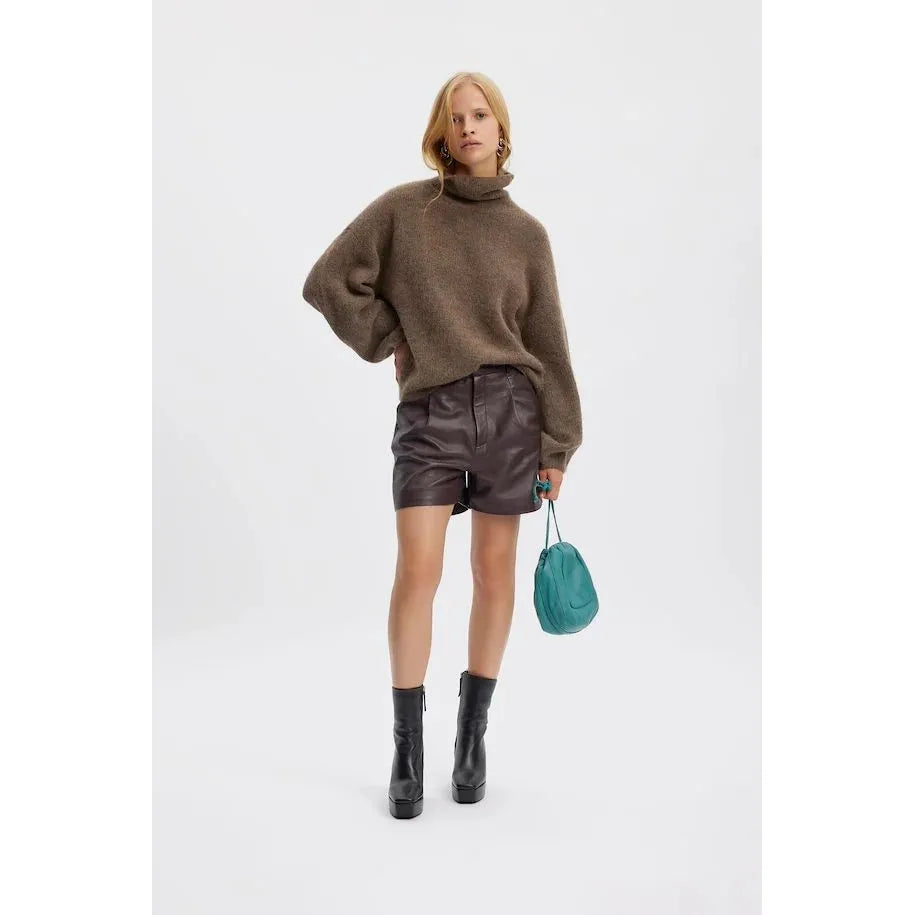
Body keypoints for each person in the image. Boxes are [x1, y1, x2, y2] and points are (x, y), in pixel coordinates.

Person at [301, 71, 583, 819]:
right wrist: (391, 338)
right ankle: (406, 747)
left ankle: (471, 737)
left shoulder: (527, 235)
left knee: (493, 574)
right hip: (430, 414)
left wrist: (558, 443)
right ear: (440, 132)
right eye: (455, 117)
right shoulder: (405, 211)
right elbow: (329, 280)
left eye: (479, 114)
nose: (467, 127)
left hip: (511, 412)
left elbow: (548, 344)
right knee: (417, 571)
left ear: (501, 128)